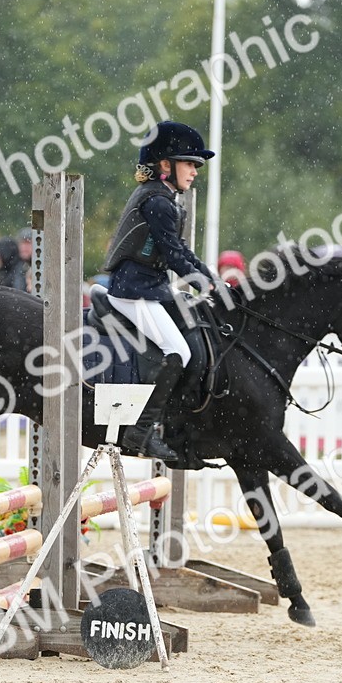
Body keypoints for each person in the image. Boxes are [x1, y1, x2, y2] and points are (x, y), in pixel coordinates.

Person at [101, 120, 221, 461]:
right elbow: (172, 255)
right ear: (165, 165)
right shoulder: (157, 202)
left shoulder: (166, 199)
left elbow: (183, 253)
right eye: (189, 163)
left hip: (151, 288)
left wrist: (209, 278)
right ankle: (140, 433)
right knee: (178, 352)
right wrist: (203, 284)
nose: (195, 171)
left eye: (196, 165)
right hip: (133, 292)